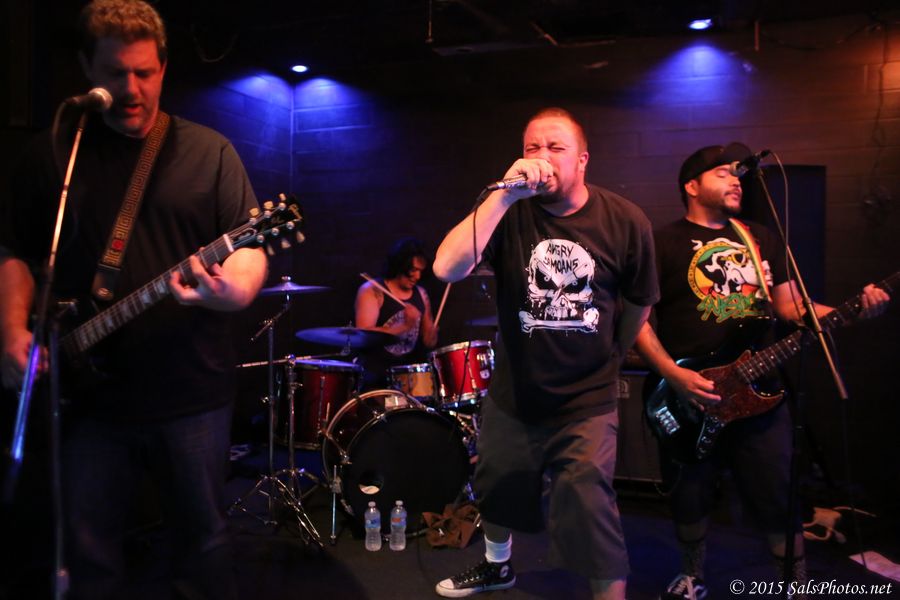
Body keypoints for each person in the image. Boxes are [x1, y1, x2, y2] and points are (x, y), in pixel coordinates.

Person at [0, 1, 268, 598]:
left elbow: (249, 247)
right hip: (85, 400)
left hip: (191, 393)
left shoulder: (209, 152)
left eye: (145, 72)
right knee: (88, 553)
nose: (131, 89)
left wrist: (231, 290)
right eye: (115, 73)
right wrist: (12, 329)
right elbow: (14, 251)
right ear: (85, 69)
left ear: (163, 68)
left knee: (204, 548)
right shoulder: (54, 154)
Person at [633, 143, 890, 600]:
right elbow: (637, 323)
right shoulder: (661, 242)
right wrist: (674, 375)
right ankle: (692, 576)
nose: (736, 180)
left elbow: (791, 307)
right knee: (690, 495)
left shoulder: (760, 238)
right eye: (722, 173)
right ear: (691, 186)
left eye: (737, 174)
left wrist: (852, 310)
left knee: (778, 494)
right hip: (691, 393)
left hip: (760, 393)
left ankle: (794, 584)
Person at [431, 107, 659, 599]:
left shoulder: (624, 220)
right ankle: (497, 567)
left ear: (582, 160)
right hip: (515, 390)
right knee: (496, 484)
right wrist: (502, 195)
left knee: (590, 507)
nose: (542, 157)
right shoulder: (508, 212)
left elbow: (640, 303)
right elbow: (447, 268)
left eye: (556, 147)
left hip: (586, 397)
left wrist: (614, 354)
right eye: (532, 147)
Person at [354, 236, 439, 389]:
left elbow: (429, 342)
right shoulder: (372, 290)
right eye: (413, 270)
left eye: (421, 271)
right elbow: (363, 335)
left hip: (410, 377)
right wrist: (404, 326)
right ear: (399, 266)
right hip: (376, 375)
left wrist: (431, 335)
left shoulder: (421, 293)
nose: (417, 276)